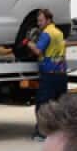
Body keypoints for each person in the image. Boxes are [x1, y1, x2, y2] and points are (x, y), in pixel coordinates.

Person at [26, 9, 68, 141]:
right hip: (61, 74)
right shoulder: (59, 33)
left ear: (48, 20)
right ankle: (59, 132)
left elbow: (38, 51)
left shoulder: (47, 33)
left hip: (49, 76)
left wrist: (29, 43)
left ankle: (41, 133)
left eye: (41, 20)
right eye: (38, 21)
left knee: (42, 105)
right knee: (58, 105)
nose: (39, 23)